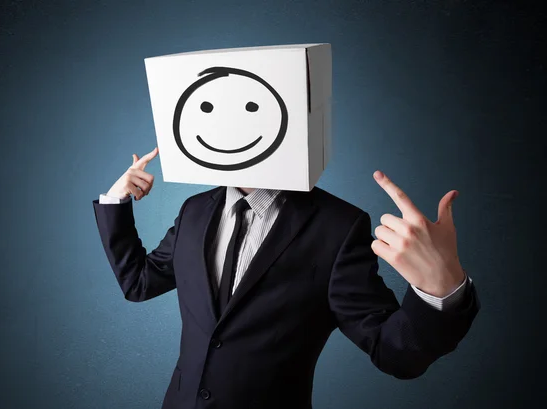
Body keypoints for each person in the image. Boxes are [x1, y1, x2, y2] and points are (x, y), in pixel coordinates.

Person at [93, 146, 480, 409]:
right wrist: (116, 201)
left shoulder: (338, 226)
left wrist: (439, 289)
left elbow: (395, 353)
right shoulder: (194, 210)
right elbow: (139, 283)